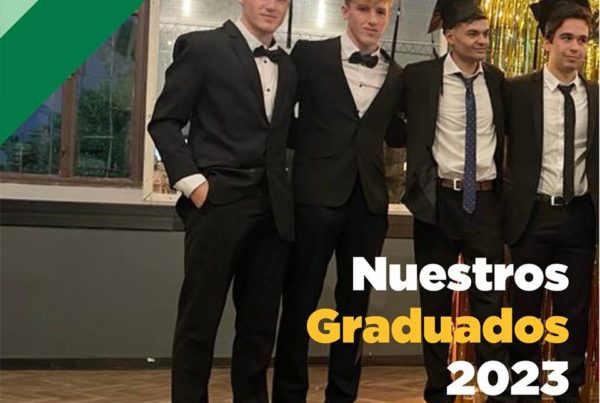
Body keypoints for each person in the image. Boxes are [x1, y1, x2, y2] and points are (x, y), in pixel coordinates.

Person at [147, 0, 296, 401]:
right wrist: (194, 184)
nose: (272, 5)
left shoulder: (289, 66)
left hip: (274, 212)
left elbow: (284, 133)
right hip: (217, 205)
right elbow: (164, 121)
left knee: (259, 329)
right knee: (199, 323)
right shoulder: (202, 47)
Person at [272, 0, 405, 401]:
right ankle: (289, 395)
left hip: (369, 206)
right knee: (300, 302)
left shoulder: (398, 75)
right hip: (313, 198)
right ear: (345, 11)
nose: (372, 19)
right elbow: (281, 116)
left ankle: (342, 395)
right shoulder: (309, 56)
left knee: (355, 309)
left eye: (381, 12)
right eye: (364, 9)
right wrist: (316, 149)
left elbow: (396, 133)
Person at [401, 0, 513, 401]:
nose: (483, 41)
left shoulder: (497, 81)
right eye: (473, 33)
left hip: (484, 204)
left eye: (486, 34)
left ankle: (496, 393)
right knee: (434, 308)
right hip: (437, 202)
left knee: (489, 307)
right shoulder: (418, 78)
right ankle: (439, 392)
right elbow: (390, 125)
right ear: (449, 36)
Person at [504, 1, 598, 401]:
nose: (575, 47)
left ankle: (566, 392)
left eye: (583, 40)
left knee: (571, 316)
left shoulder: (596, 97)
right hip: (531, 217)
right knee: (524, 314)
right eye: (567, 38)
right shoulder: (516, 91)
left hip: (579, 219)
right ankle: (523, 392)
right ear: (547, 42)